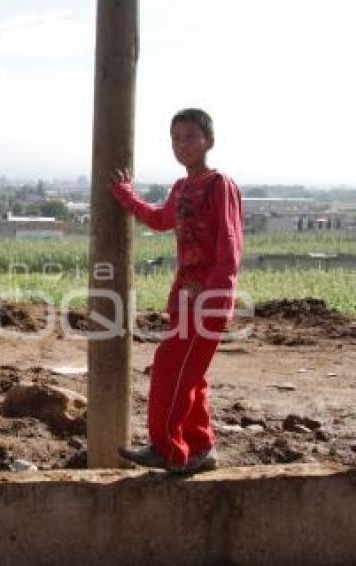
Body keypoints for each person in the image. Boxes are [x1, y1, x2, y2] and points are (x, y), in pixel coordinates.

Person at [108, 108, 243, 474]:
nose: (182, 145)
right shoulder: (182, 188)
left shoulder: (220, 186)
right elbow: (160, 219)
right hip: (184, 298)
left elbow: (229, 248)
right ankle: (201, 448)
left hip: (207, 301)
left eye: (191, 137)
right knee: (191, 376)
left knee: (170, 367)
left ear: (209, 142)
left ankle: (168, 449)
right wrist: (126, 196)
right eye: (176, 139)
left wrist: (213, 297)